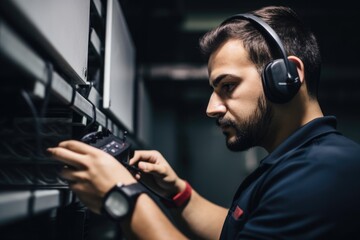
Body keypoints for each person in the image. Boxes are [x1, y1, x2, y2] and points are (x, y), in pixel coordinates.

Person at [47, 5, 360, 239]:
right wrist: (178, 192)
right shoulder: (302, 162)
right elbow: (240, 230)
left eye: (228, 86)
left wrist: (123, 195)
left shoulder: (325, 172)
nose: (211, 108)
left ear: (286, 76)